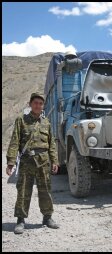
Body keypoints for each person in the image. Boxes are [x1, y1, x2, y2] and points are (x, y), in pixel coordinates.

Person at [6, 92, 59, 234]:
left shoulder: (46, 122)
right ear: (30, 104)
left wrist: (55, 160)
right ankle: (20, 220)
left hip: (43, 162)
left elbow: (51, 144)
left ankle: (47, 218)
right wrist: (11, 162)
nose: (38, 106)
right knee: (23, 191)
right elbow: (15, 141)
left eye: (40, 104)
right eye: (35, 103)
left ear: (43, 107)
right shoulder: (21, 120)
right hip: (26, 162)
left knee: (46, 191)